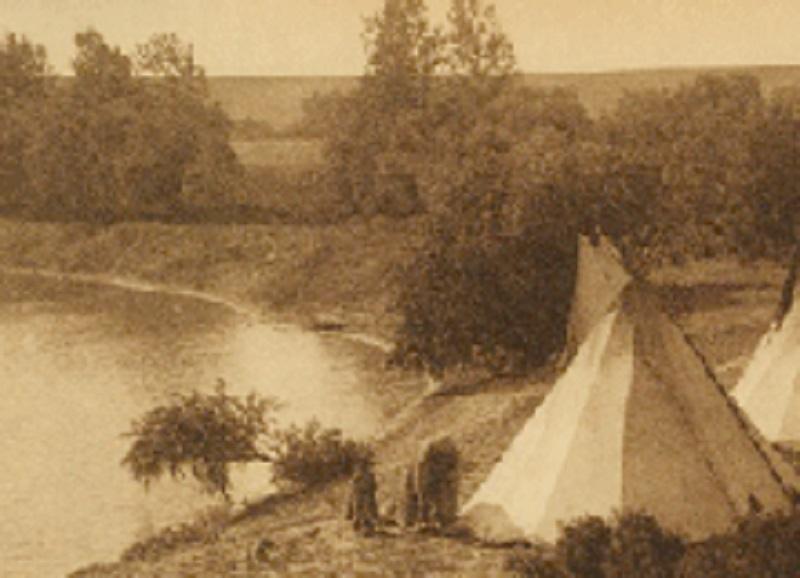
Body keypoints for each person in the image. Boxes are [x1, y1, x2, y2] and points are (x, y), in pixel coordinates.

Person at [347, 458, 379, 535]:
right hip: (361, 497)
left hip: (366, 497)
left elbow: (373, 487)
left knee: (365, 513)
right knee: (360, 512)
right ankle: (361, 528)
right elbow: (353, 489)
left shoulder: (368, 476)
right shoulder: (358, 477)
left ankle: (366, 528)